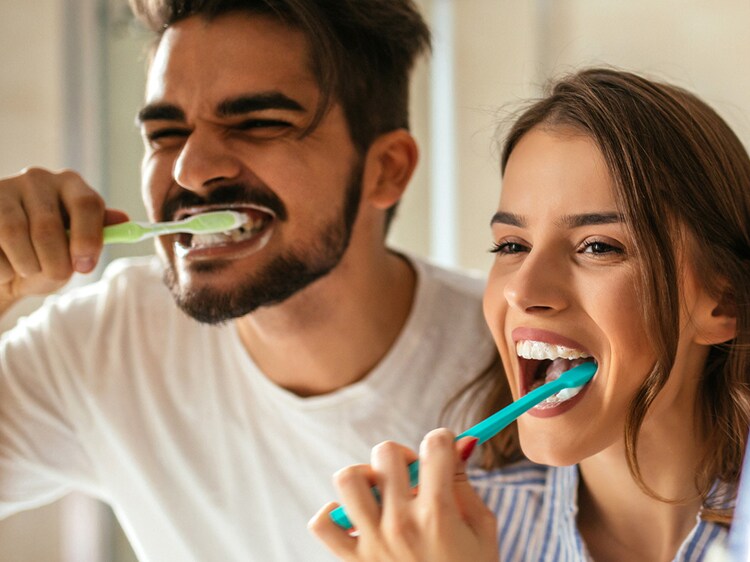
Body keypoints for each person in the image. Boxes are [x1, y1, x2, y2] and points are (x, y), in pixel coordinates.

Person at [0, 1, 498, 561]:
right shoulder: (108, 341)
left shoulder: (523, 367)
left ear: (385, 169)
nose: (190, 169)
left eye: (258, 124)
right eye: (166, 133)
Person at [309, 68, 750, 561]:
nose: (522, 289)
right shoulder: (440, 542)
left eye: (598, 246)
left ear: (724, 302)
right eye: (512, 245)